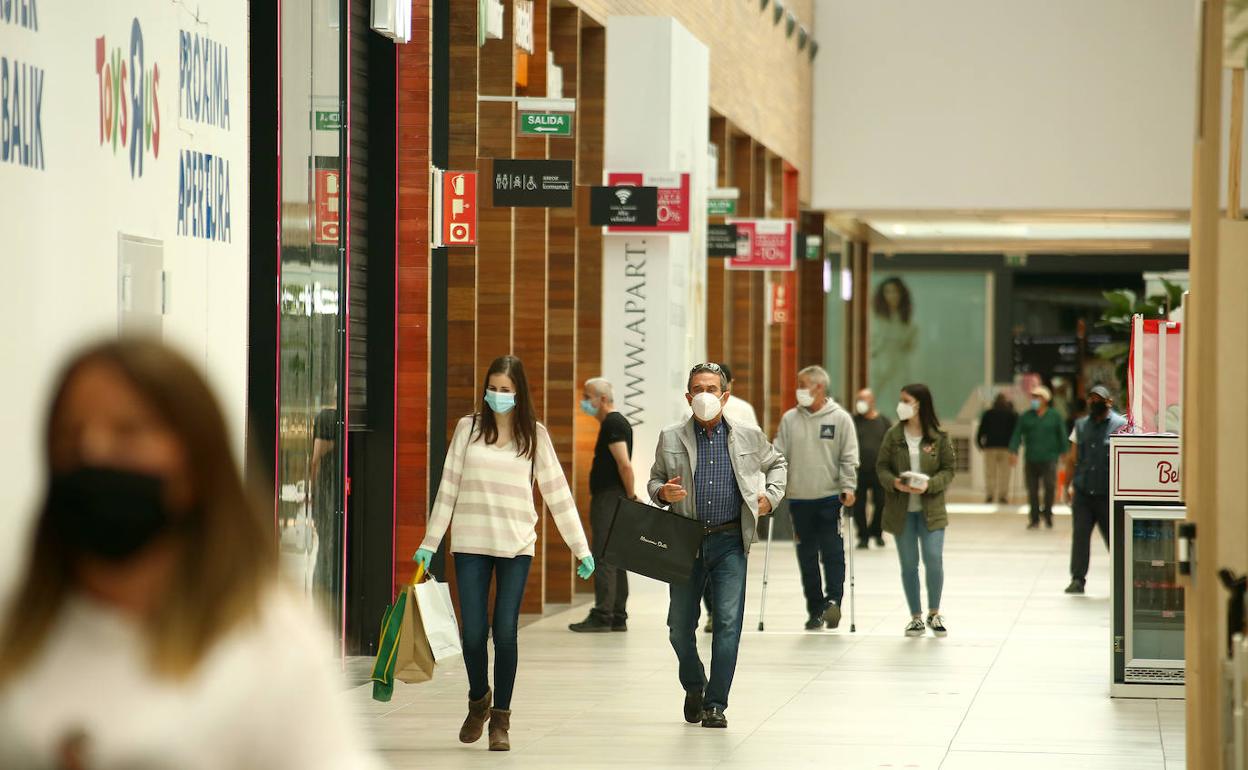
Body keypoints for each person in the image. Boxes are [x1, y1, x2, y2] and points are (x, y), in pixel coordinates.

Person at [0, 340, 378, 768]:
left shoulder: (268, 645)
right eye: (70, 434)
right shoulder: (16, 632)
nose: (93, 451)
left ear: (195, 463)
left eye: (128, 432)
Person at [413, 355, 594, 752]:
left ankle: (501, 720)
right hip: (470, 543)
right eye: (492, 389)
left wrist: (580, 547)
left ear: (519, 393)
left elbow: (558, 494)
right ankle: (479, 700)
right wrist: (430, 542)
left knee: (506, 631)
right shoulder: (468, 429)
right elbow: (448, 487)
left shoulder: (535, 436)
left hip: (516, 545)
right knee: (473, 634)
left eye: (505, 390)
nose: (497, 396)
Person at [649, 362, 787, 730]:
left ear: (724, 396)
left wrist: (771, 497)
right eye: (698, 389)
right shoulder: (670, 437)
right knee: (679, 627)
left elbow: (777, 463)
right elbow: (655, 480)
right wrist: (662, 493)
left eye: (712, 389)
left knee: (727, 623)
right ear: (688, 396)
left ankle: (715, 704)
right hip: (685, 541)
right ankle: (695, 684)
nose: (705, 395)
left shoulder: (748, 436)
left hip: (729, 540)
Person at [774, 366, 859, 630]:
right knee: (807, 556)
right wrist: (772, 486)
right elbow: (778, 455)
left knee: (832, 551)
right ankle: (815, 609)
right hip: (799, 499)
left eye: (803, 385)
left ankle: (833, 601)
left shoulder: (840, 419)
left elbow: (849, 457)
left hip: (830, 498)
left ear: (819, 387)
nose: (798, 390)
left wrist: (848, 487)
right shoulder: (790, 419)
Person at [875, 383, 957, 638]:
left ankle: (934, 612)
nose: (901, 405)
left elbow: (948, 469)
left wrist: (930, 485)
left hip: (931, 510)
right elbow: (881, 467)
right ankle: (916, 617)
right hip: (902, 511)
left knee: (933, 558)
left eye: (906, 400)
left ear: (920, 404)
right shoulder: (893, 435)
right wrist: (895, 482)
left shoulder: (939, 436)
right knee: (909, 564)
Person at [569, 377, 636, 633]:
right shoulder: (614, 423)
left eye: (588, 397)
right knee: (616, 554)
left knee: (605, 554)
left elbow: (624, 464)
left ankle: (603, 615)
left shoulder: (613, 424)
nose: (584, 401)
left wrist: (631, 496)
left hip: (609, 498)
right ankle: (617, 615)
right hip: (614, 497)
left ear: (603, 399)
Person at [1065, 385, 1127, 594]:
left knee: (1114, 539)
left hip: (1108, 494)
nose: (1094, 402)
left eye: (1098, 398)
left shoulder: (1120, 426)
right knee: (1080, 536)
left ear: (1109, 402)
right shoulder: (1081, 426)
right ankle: (1077, 579)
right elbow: (1072, 458)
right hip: (1083, 492)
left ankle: (1122, 579)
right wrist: (1067, 485)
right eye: (1091, 398)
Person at [1008, 384, 1069, 530]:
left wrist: (1064, 452)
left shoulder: (1054, 416)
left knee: (1049, 486)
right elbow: (1017, 434)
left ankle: (1048, 515)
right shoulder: (1026, 416)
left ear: (1045, 400)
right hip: (1031, 458)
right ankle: (1034, 518)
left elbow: (1062, 434)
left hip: (1049, 458)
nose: (1034, 400)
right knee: (1032, 489)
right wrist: (1013, 451)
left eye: (1037, 397)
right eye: (1033, 397)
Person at [852, 388, 891, 548]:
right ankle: (863, 536)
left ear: (872, 401)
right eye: (858, 399)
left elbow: (891, 445)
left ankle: (876, 531)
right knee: (858, 504)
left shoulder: (883, 421)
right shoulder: (853, 421)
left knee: (881, 502)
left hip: (879, 470)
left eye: (864, 399)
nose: (860, 403)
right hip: (858, 470)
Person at [870, 277, 917, 407]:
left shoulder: (907, 321)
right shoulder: (873, 318)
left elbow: (910, 345)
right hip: (877, 364)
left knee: (903, 402)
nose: (892, 295)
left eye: (895, 291)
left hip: (898, 364)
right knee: (867, 399)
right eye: (888, 291)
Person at [976, 393, 1018, 504]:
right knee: (1005, 473)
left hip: (991, 446)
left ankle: (990, 495)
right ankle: (1003, 496)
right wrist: (1015, 447)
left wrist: (979, 443)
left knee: (990, 472)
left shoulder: (989, 413)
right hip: (1006, 447)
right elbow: (1015, 432)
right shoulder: (1011, 414)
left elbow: (981, 429)